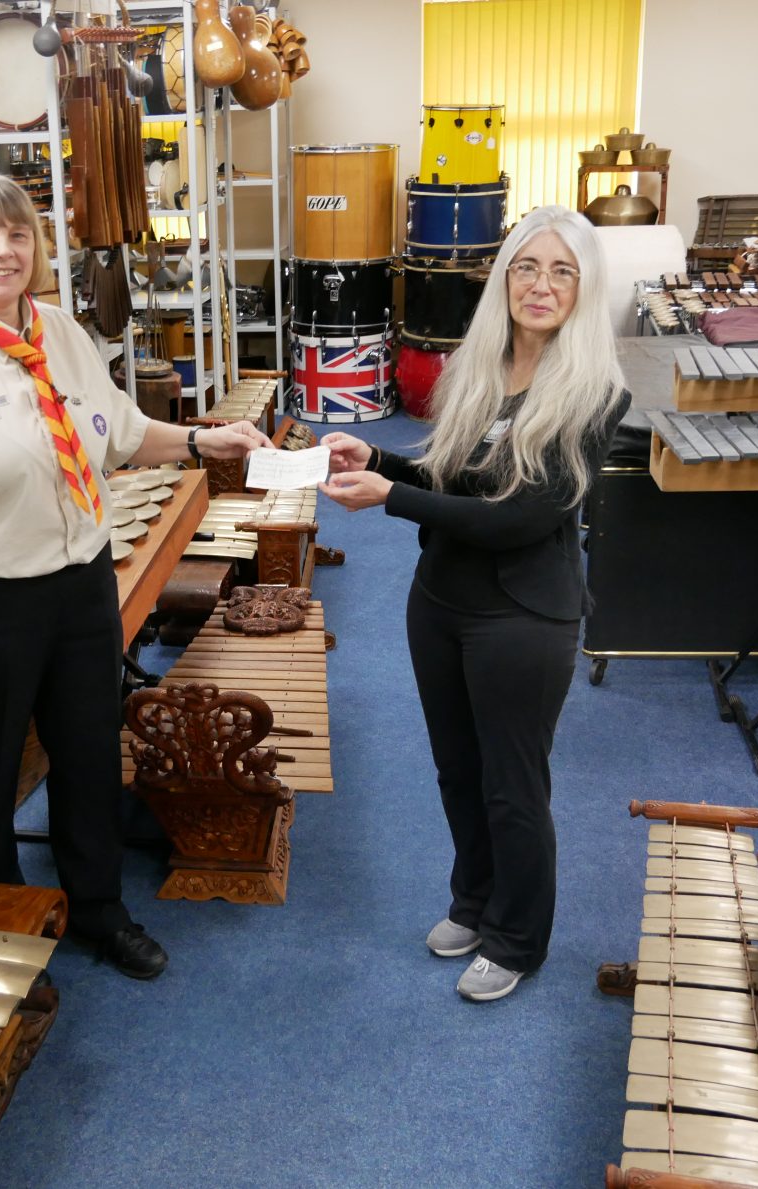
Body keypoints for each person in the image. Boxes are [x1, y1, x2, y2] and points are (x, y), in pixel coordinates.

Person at [0, 175, 268, 978]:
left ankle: (98, 909)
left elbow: (117, 434)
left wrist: (200, 442)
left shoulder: (63, 333)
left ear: (37, 248)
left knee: (88, 753)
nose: (1, 251)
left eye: (16, 235)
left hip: (81, 582)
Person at [318, 206, 630, 1002]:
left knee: (511, 783)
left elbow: (521, 516)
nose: (542, 285)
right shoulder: (478, 367)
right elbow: (459, 480)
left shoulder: (595, 394)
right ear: (504, 278)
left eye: (563, 271)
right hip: (443, 600)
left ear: (583, 290)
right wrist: (381, 457)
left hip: (522, 617)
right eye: (528, 266)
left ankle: (518, 938)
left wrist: (390, 497)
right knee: (458, 771)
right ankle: (475, 901)